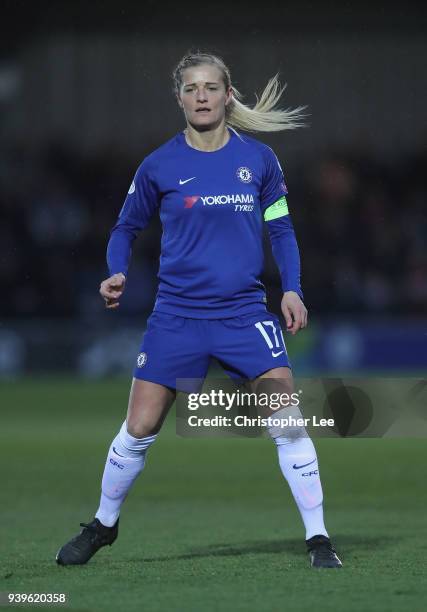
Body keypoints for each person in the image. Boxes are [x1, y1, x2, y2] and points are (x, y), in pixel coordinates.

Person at [56, 52, 342, 569]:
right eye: (192, 88)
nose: (202, 96)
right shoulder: (159, 165)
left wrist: (292, 289)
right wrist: (116, 269)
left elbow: (280, 229)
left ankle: (319, 539)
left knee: (290, 422)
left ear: (228, 95)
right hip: (177, 316)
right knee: (139, 428)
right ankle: (103, 525)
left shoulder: (259, 161)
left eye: (212, 87)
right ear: (180, 97)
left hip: (243, 315)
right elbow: (125, 227)